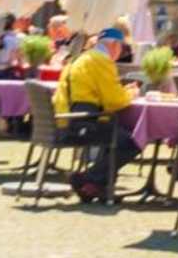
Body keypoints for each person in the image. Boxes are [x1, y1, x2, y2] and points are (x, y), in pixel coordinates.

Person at [53, 26, 139, 203]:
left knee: (116, 133)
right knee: (132, 142)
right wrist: (131, 94)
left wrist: (122, 91)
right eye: (122, 47)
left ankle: (95, 187)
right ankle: (87, 179)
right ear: (114, 45)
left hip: (65, 120)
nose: (121, 52)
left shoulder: (81, 58)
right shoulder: (101, 61)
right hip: (81, 123)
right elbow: (115, 101)